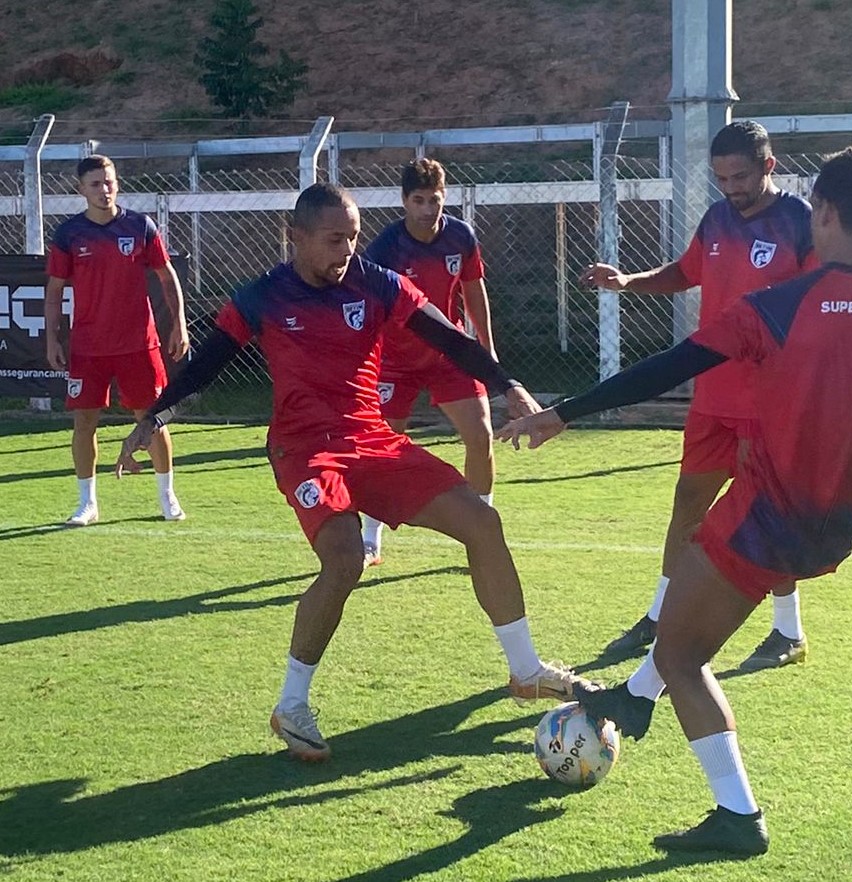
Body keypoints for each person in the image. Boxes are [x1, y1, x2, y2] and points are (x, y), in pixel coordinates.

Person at [498, 146, 852, 855]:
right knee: (682, 627)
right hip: (836, 527)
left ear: (821, 212)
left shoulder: (778, 306)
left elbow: (670, 366)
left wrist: (564, 412)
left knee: (681, 656)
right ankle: (631, 703)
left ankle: (737, 817)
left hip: (764, 516)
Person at [115, 182, 589, 762]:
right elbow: (206, 364)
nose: (348, 249)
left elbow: (447, 335)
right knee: (344, 561)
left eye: (355, 236)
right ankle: (291, 706)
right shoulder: (262, 297)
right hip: (304, 449)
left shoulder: (376, 282)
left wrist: (509, 387)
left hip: (373, 439)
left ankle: (525, 671)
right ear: (296, 237)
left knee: (482, 523)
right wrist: (154, 416)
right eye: (335, 238)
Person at [582, 121, 816, 671]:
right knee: (687, 503)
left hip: (769, 404)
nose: (731, 187)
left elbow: (820, 302)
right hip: (712, 396)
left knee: (768, 515)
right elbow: (687, 272)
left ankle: (789, 631)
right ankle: (660, 614)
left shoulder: (800, 222)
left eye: (740, 176)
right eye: (721, 178)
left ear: (769, 166)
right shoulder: (716, 218)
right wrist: (628, 282)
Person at [359, 159, 498, 567]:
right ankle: (371, 537)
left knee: (481, 434)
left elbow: (474, 291)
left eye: (434, 199)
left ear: (445, 197)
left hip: (449, 351)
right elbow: (368, 307)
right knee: (381, 449)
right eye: (418, 200)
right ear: (404, 201)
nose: (427, 209)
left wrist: (486, 348)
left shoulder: (460, 236)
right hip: (395, 360)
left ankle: (482, 528)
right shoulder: (385, 247)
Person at [45, 154, 189, 526]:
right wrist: (53, 339)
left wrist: (180, 324)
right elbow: (55, 289)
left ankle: (167, 495)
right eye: (95, 183)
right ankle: (87, 503)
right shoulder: (68, 234)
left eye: (108, 182)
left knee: (152, 419)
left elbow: (166, 274)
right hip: (88, 347)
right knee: (84, 422)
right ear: (81, 190)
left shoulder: (140, 226)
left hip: (139, 344)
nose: (104, 189)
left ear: (117, 183)